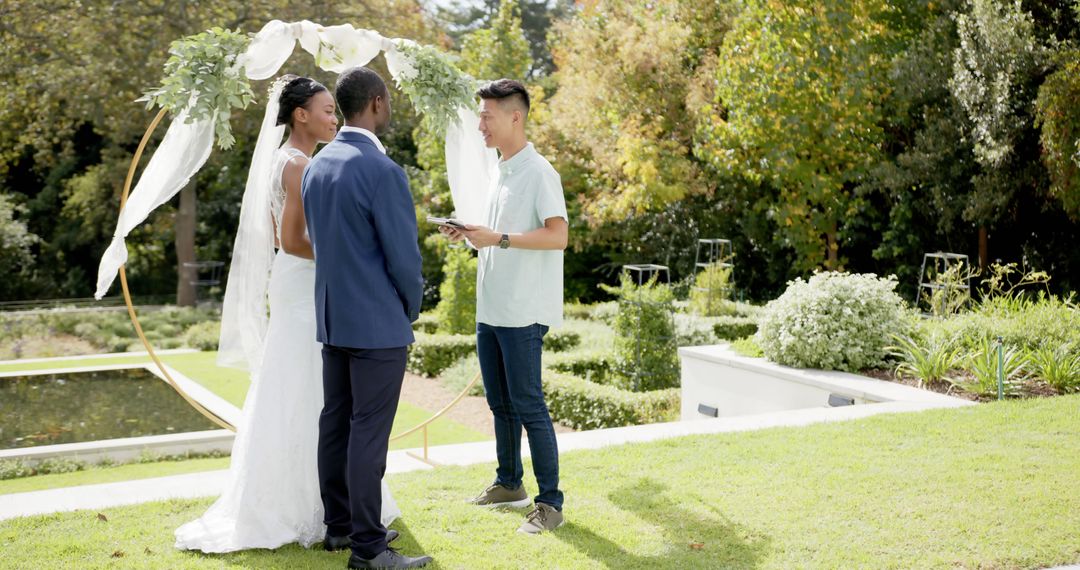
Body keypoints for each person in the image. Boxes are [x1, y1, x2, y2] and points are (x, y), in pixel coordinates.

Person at [174, 75, 400, 553]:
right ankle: (317, 513)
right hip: (302, 284)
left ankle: (332, 514)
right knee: (316, 400)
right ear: (301, 115)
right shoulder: (298, 166)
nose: (333, 119)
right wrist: (350, 252)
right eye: (325, 111)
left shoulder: (295, 160)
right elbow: (292, 240)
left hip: (299, 284)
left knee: (314, 398)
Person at [302, 66, 430, 570]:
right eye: (389, 100)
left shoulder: (318, 164)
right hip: (376, 322)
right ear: (376, 103)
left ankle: (341, 529)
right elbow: (404, 259)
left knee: (336, 425)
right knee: (367, 435)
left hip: (334, 320)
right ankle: (369, 550)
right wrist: (411, 306)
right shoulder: (382, 171)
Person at [440, 79, 569, 535]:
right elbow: (499, 236)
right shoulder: (499, 170)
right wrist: (473, 232)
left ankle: (549, 504)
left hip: (522, 312)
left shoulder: (540, 172)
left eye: (487, 116)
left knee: (529, 405)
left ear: (515, 116)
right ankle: (509, 484)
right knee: (499, 404)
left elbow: (558, 236)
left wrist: (500, 238)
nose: (480, 125)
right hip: (490, 308)